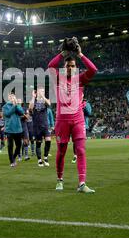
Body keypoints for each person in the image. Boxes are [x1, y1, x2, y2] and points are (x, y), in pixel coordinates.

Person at [48, 39, 98, 193]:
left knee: (81, 150)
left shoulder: (81, 79)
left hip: (77, 120)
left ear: (76, 68)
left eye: (73, 66)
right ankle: (59, 180)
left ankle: (82, 183)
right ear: (64, 67)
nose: (70, 68)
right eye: (68, 65)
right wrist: (63, 53)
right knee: (61, 152)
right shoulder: (58, 78)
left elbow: (93, 70)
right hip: (62, 121)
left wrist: (80, 54)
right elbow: (50, 66)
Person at [29, 87, 51, 167]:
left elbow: (49, 104)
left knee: (48, 140)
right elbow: (30, 108)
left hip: (45, 125)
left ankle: (45, 157)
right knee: (38, 143)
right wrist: (33, 97)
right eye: (41, 91)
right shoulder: (33, 101)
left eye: (43, 91)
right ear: (37, 92)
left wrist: (43, 97)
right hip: (37, 125)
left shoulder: (45, 100)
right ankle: (39, 160)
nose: (42, 92)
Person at [2, 93, 24, 167]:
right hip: (9, 129)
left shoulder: (18, 105)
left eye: (13, 97)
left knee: (19, 146)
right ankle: (11, 161)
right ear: (8, 98)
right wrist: (14, 106)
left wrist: (17, 105)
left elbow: (22, 113)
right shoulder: (5, 106)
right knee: (10, 146)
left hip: (18, 129)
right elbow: (7, 114)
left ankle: (13, 157)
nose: (12, 98)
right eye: (11, 97)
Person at [72, 98, 92, 164]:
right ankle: (75, 155)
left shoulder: (87, 104)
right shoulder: (75, 104)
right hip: (76, 123)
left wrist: (84, 106)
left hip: (83, 124)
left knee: (82, 141)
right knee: (75, 141)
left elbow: (89, 113)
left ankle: (80, 155)